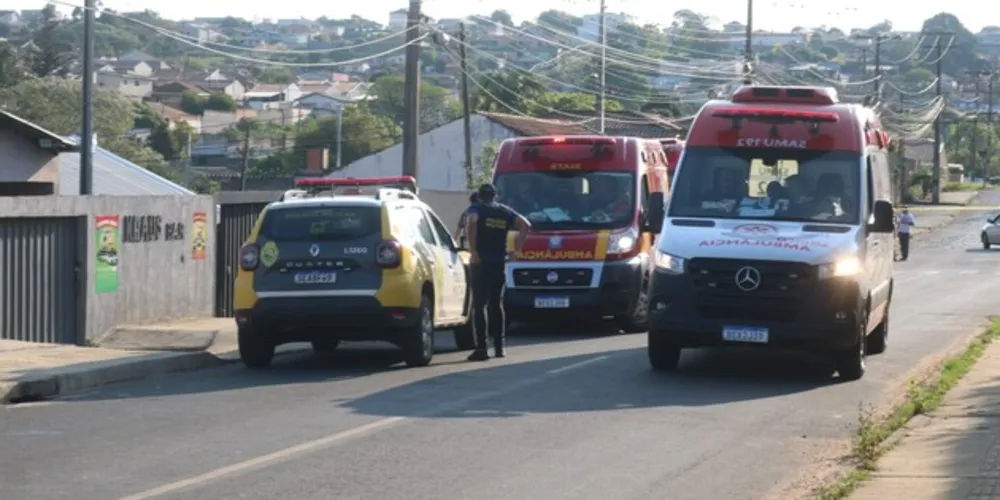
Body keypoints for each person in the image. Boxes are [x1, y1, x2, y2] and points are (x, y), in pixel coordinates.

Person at [465, 183, 531, 361]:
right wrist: (516, 250)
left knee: (479, 305)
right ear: (495, 196)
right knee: (496, 304)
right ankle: (500, 348)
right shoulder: (504, 211)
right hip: (499, 262)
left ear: (479, 196)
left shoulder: (476, 208)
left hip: (480, 262)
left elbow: (472, 222)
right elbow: (525, 225)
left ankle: (482, 349)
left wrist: (473, 250)